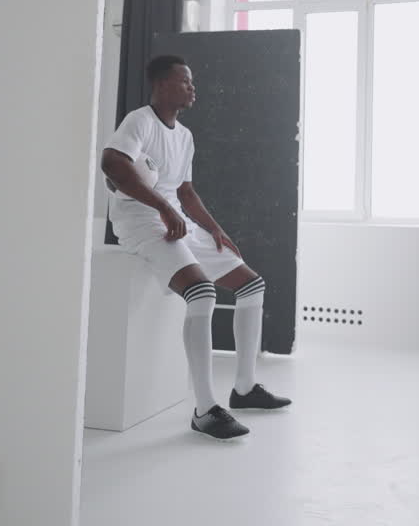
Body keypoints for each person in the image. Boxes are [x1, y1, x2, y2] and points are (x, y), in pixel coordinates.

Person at [101, 54, 290, 441]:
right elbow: (112, 165)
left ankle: (244, 388)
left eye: (192, 82)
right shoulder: (139, 122)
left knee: (252, 285)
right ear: (161, 85)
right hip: (141, 223)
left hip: (176, 220)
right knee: (201, 293)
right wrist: (162, 207)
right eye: (185, 81)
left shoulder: (184, 136)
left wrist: (216, 230)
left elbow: (185, 191)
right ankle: (204, 410)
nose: (193, 88)